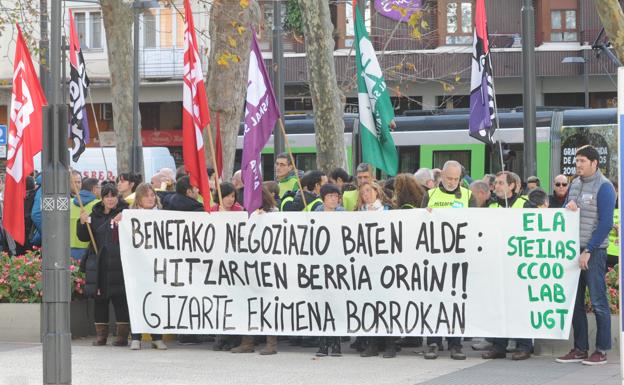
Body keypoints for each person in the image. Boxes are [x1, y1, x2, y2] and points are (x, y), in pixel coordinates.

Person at [557, 145, 615, 366]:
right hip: (572, 250)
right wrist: (567, 207)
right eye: (577, 161)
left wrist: (588, 250)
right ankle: (580, 348)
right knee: (575, 302)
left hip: (594, 252)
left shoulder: (605, 187)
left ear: (594, 163)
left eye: (582, 161)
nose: (578, 164)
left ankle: (601, 350)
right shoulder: (574, 184)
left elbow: (606, 223)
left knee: (599, 301)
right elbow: (565, 211)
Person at [421, 161, 473, 360]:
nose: (452, 182)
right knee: (434, 300)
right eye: (449, 178)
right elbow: (419, 221)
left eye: (456, 179)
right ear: (441, 176)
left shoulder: (468, 196)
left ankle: (455, 343)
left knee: (455, 301)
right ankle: (433, 342)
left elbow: (477, 223)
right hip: (433, 257)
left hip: (458, 257)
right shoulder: (430, 195)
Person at [482, 171, 533, 361]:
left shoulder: (524, 204)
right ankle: (498, 345)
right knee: (498, 303)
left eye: (501, 183)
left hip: (518, 263)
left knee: (520, 304)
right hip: (497, 261)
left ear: (512, 186)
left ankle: (524, 345)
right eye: (495, 183)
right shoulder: (491, 205)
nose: (497, 186)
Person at [77, 182, 130, 347]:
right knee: (100, 299)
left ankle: (122, 336)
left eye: (113, 195)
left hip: (119, 262)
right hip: (99, 262)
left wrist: (126, 218)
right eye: (107, 196)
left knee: (120, 298)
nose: (110, 199)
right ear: (102, 198)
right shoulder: (95, 213)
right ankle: (101, 336)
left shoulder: (126, 211)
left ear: (117, 196)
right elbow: (84, 237)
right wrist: (82, 222)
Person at [126, 183, 167, 350]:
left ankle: (157, 337)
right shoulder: (130, 216)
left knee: (156, 301)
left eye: (152, 195)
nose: (150, 199)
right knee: (137, 300)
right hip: (137, 267)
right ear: (139, 199)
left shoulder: (163, 216)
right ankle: (136, 336)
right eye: (146, 196)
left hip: (157, 267)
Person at [357, 181, 394, 358]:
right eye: (363, 193)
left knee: (387, 304)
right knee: (370, 306)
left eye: (369, 191)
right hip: (367, 266)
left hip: (386, 263)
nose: (367, 195)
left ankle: (390, 344)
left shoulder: (388, 210)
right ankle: (372, 344)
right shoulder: (358, 213)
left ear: (376, 192)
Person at [70, 178, 100, 261]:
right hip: (89, 249)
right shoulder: (98, 205)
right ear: (94, 189)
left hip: (68, 248)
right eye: (100, 187)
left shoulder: (69, 202)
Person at [607, 181, 619, 268]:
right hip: (605, 252)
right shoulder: (603, 206)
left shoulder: (621, 206)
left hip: (619, 253)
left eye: (615, 190)